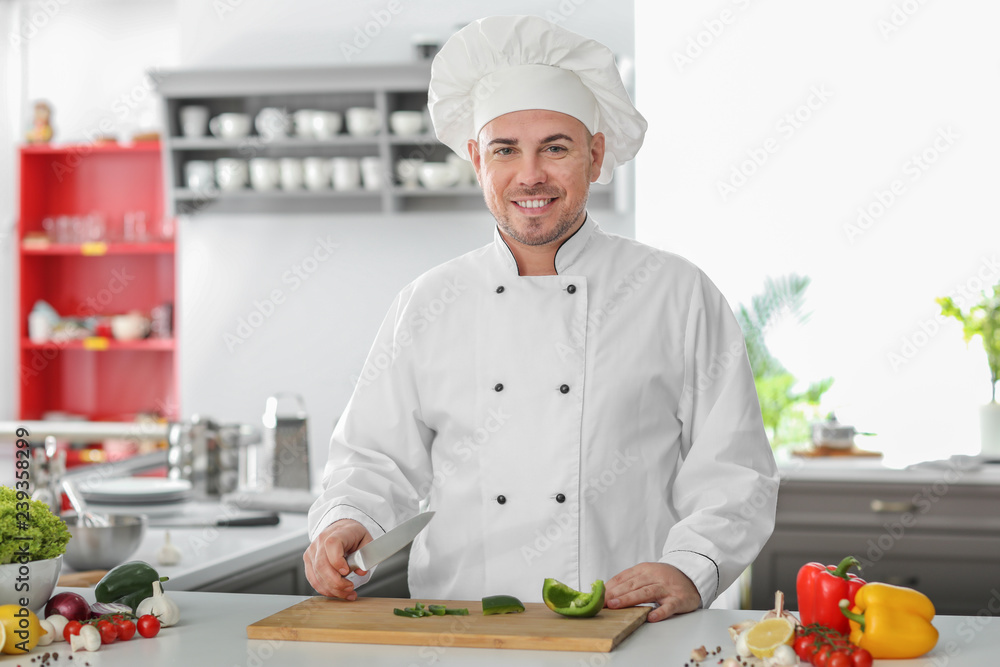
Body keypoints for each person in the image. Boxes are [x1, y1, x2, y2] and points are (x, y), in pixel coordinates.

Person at [305, 15, 778, 623]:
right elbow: (373, 459)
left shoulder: (676, 293)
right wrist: (348, 522)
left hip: (626, 624)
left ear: (596, 154)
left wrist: (692, 565)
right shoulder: (428, 302)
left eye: (555, 147)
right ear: (477, 159)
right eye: (505, 150)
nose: (530, 175)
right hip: (461, 629)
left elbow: (734, 470)